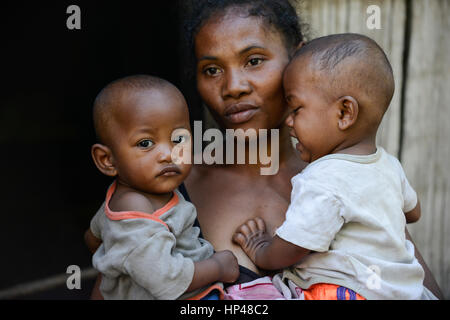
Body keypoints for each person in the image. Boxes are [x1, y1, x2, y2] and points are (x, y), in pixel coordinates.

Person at [87, 0, 443, 299]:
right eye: (211, 70)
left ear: (298, 58)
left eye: (254, 60)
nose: (233, 87)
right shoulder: (163, 187)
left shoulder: (355, 181)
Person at [232, 33, 436, 300]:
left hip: (347, 292)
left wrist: (261, 249)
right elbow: (413, 212)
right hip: (408, 292)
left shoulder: (322, 178)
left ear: (343, 113)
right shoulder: (389, 165)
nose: (289, 122)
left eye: (296, 109)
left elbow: (294, 247)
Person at [85, 74, 239, 300]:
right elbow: (166, 280)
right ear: (107, 160)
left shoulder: (138, 195)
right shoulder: (133, 206)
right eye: (145, 143)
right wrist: (218, 266)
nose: (168, 154)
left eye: (178, 139)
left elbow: (93, 237)